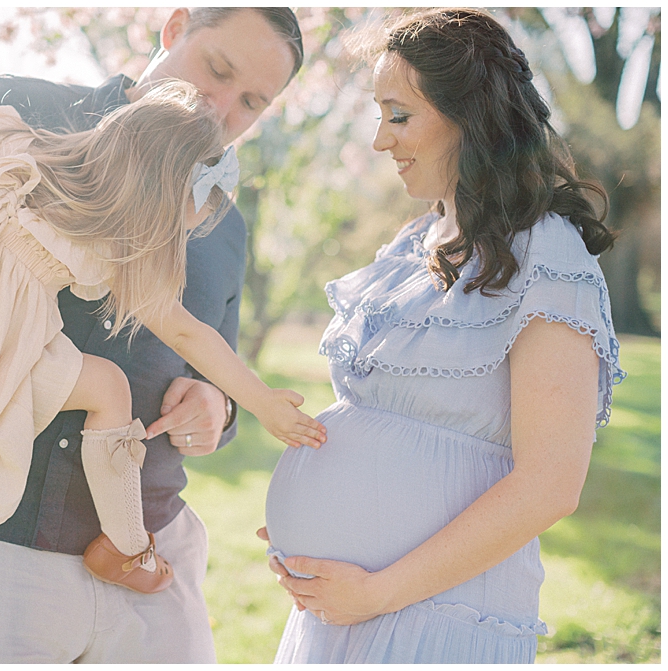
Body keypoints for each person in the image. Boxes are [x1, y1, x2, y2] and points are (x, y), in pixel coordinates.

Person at [0, 7, 305, 663]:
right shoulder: (22, 113)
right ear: (175, 28)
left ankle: (123, 545)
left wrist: (224, 405)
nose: (221, 108)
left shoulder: (225, 225)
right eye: (217, 70)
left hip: (158, 567)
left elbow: (206, 350)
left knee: (108, 391)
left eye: (251, 103)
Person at [260, 8, 624, 664]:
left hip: (434, 618)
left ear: (470, 116)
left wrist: (376, 589)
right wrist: (316, 523)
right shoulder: (411, 246)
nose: (380, 141)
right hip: (340, 613)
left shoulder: (547, 252)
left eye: (398, 115)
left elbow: (550, 483)